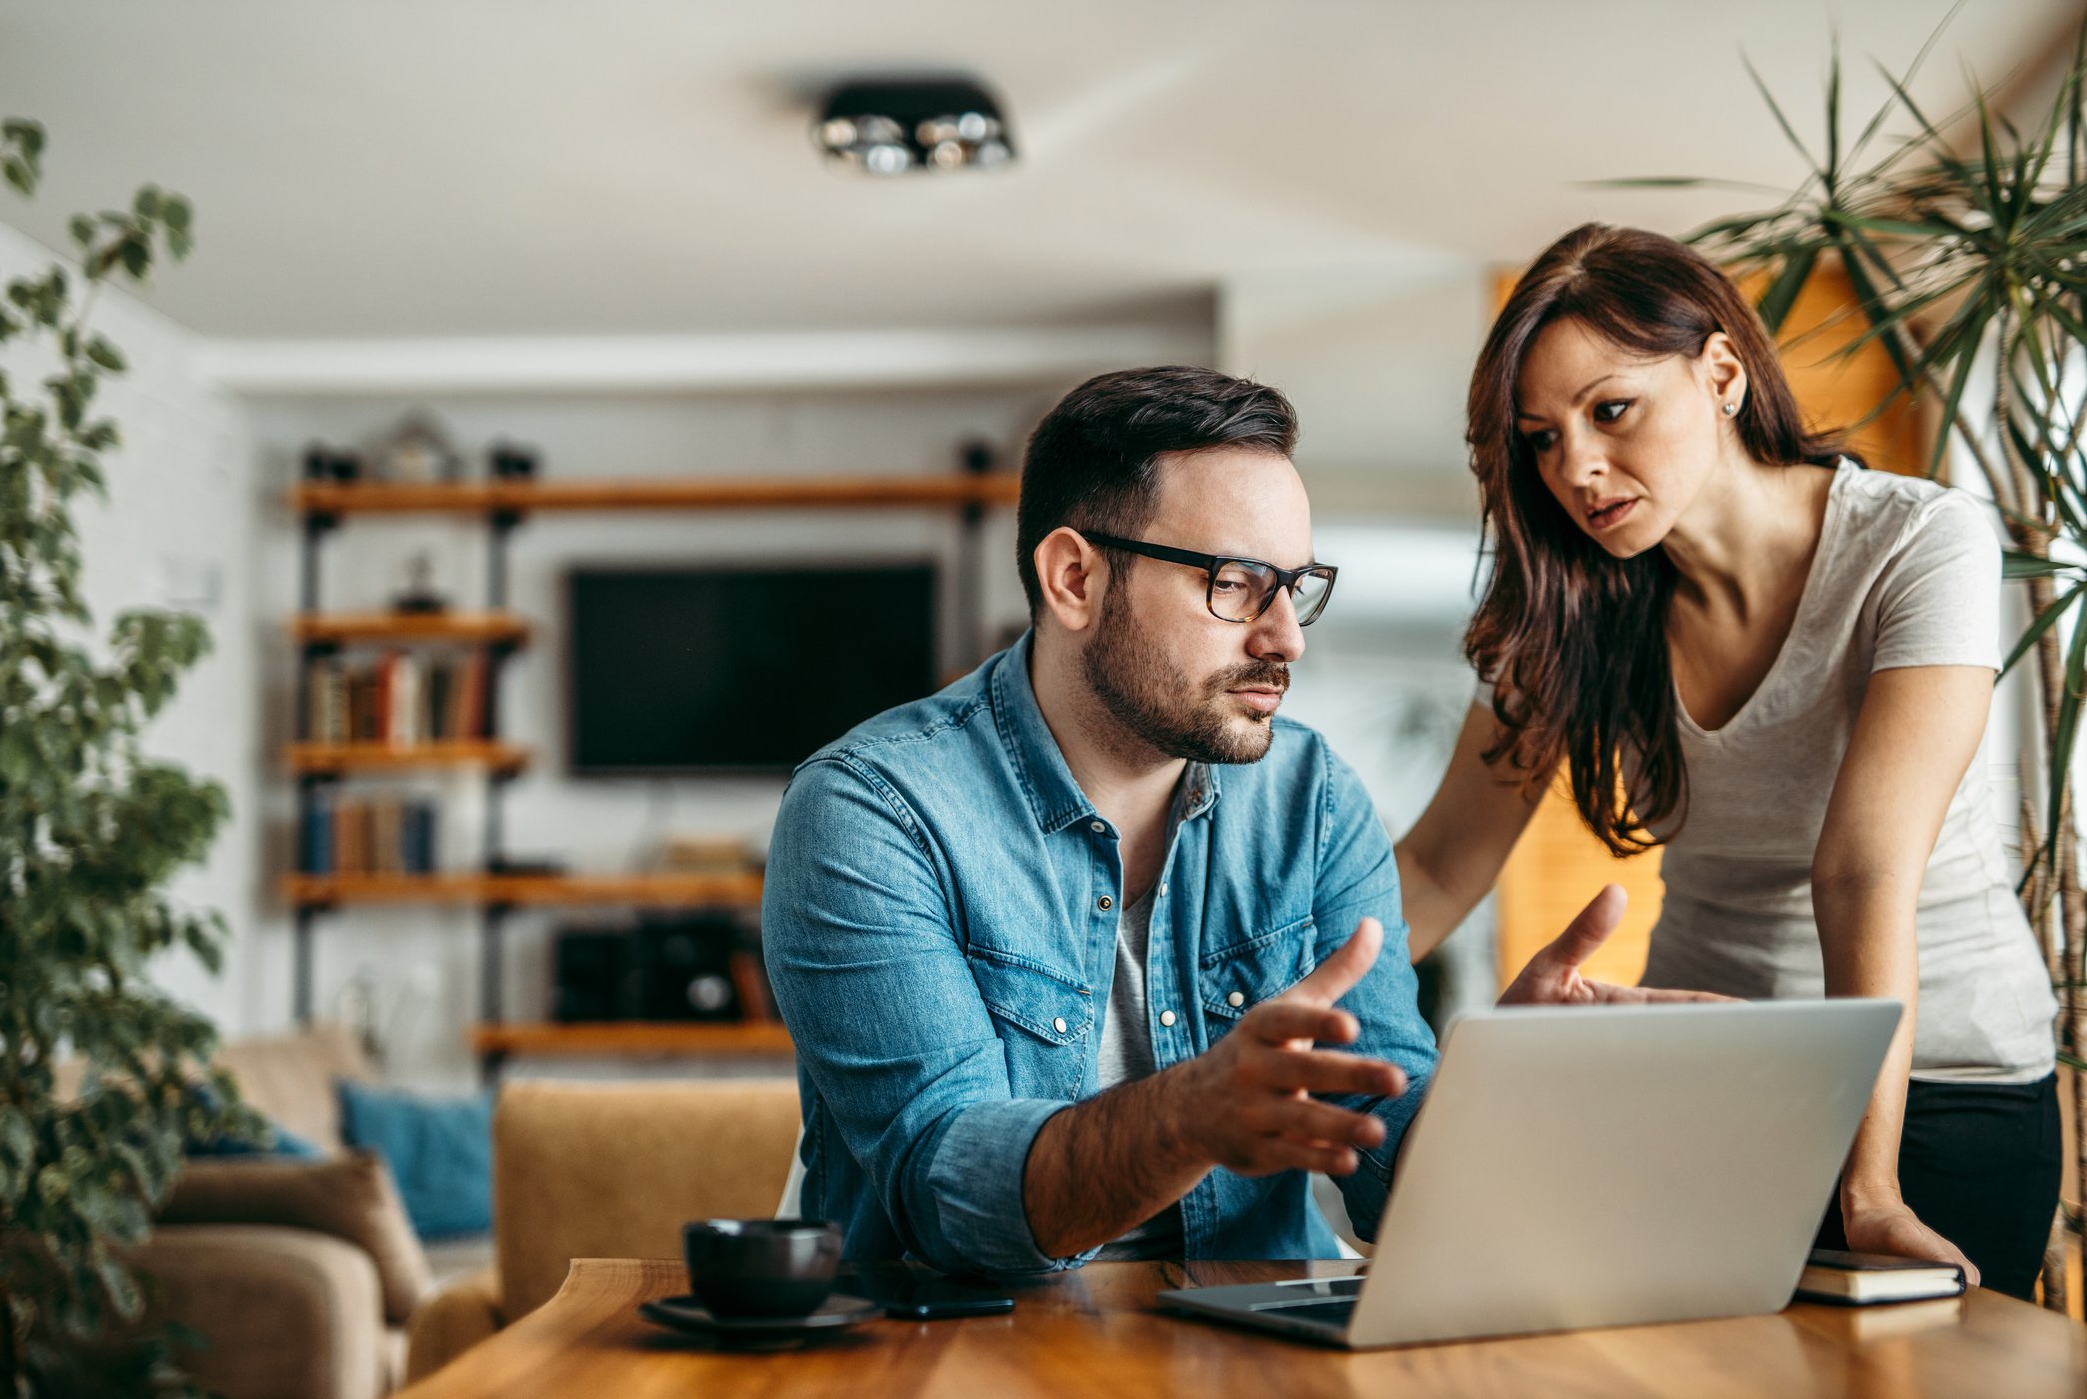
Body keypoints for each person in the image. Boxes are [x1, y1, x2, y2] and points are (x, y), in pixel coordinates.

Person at [762, 365, 1703, 1275]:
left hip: (1251, 1337)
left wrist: (1504, 1094)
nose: (1284, 637)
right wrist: (1186, 1114)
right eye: (1234, 582)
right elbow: (944, 1196)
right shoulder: (871, 812)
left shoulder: (1312, 799)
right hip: (969, 1346)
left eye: (1295, 585)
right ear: (1074, 580)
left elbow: (1379, 1155)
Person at [1395, 223, 2061, 1299]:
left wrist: (1870, 1189)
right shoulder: (1567, 605)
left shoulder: (1918, 542)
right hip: (1714, 1075)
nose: (1578, 468)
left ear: (1720, 370)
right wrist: (1270, 1030)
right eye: (1541, 439)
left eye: (1611, 410)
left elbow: (1863, 867)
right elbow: (1434, 868)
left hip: (1944, 1083)